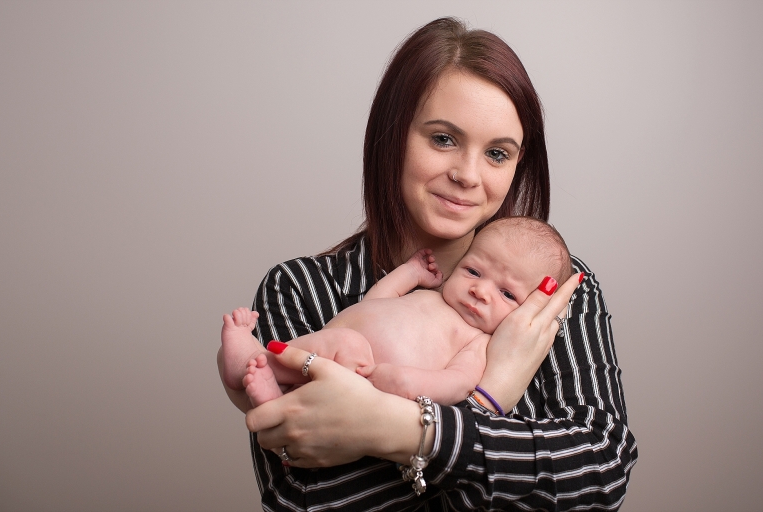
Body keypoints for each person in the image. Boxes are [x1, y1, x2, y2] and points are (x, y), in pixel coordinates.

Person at [218, 17, 637, 511]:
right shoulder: (301, 288)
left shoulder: (554, 292)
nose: (466, 175)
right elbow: (305, 497)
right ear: (393, 136)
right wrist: (490, 403)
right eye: (443, 139)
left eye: (498, 153)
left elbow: (600, 471)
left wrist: (403, 432)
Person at [221, 217, 575, 408]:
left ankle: (270, 387)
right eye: (473, 271)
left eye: (507, 293)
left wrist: (409, 383)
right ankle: (253, 363)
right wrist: (410, 274)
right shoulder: (431, 296)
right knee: (313, 348)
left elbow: (459, 383)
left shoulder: (480, 342)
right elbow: (378, 302)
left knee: (338, 349)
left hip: (364, 374)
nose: (479, 291)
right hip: (335, 342)